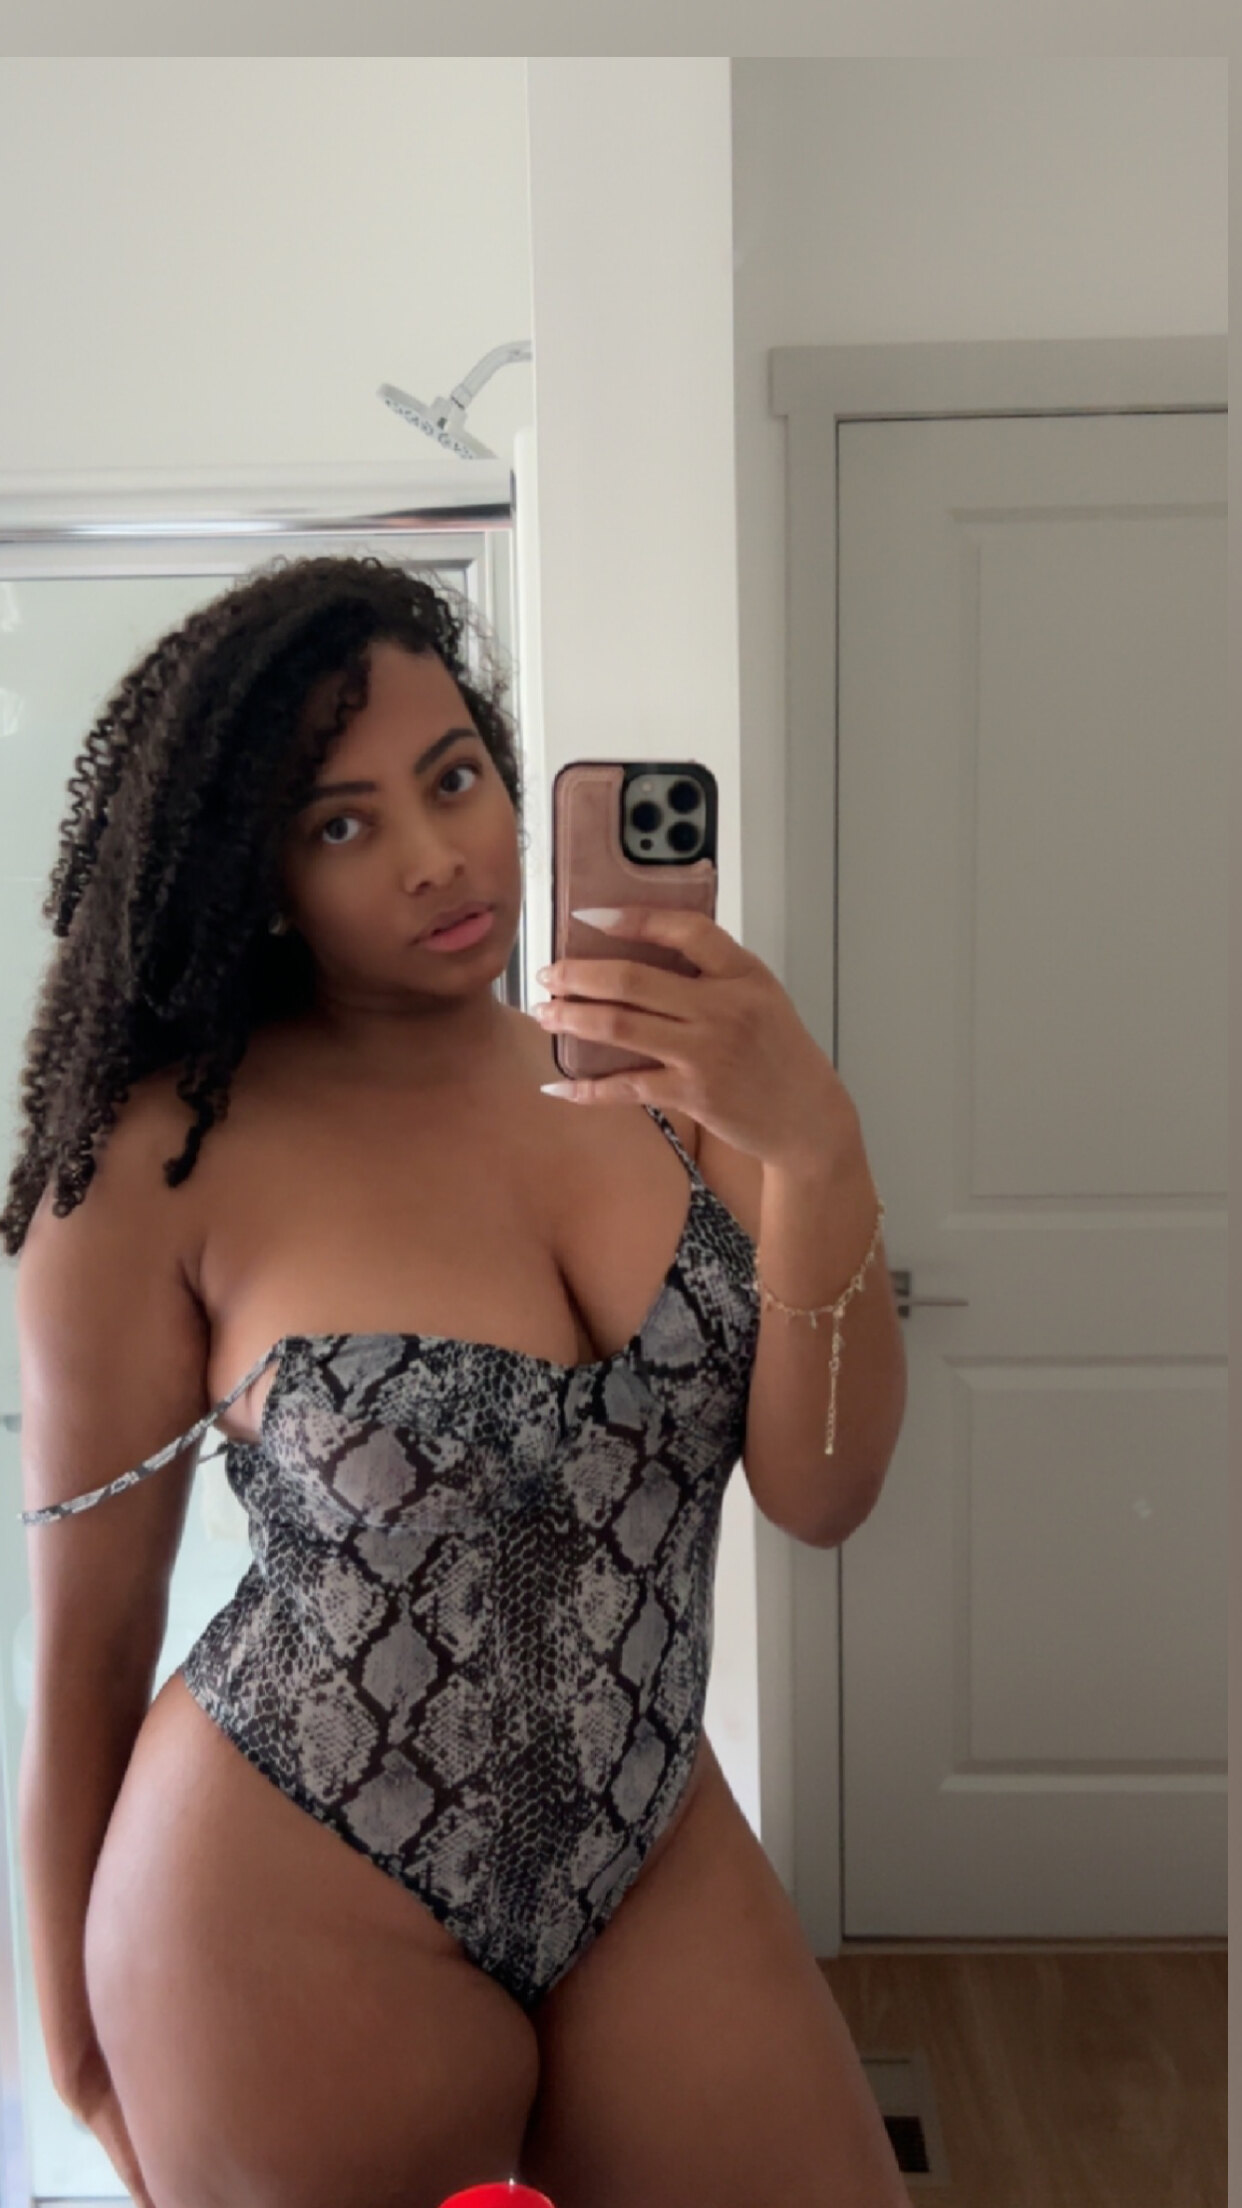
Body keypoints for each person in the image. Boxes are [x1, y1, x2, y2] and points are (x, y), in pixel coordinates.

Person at [5, 554, 907, 2208]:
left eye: (454, 778)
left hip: (648, 1836)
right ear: (262, 872)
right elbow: (87, 1645)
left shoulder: (683, 1079)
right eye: (343, 824)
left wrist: (817, 1145)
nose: (433, 856)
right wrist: (66, 2037)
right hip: (284, 1889)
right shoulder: (152, 1165)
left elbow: (823, 1491)